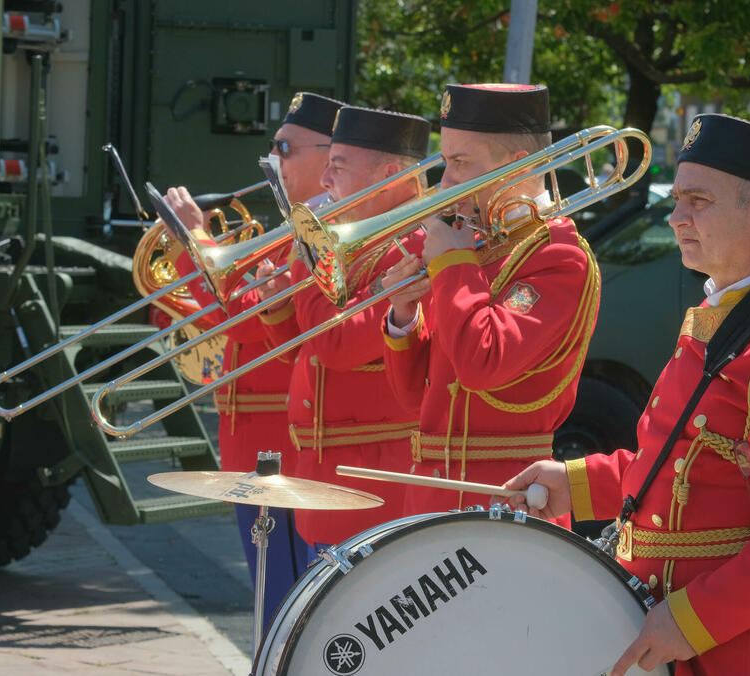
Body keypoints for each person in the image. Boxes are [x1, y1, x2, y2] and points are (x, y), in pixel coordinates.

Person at [503, 114, 750, 676]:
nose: (677, 217)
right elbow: (687, 466)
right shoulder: (724, 308)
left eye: (698, 201)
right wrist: (577, 484)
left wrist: (695, 618)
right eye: (679, 198)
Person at [163, 91, 344, 624]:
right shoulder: (290, 230)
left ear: (330, 154)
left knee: (285, 611)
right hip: (257, 444)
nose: (274, 162)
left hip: (282, 448)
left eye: (285, 149)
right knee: (275, 605)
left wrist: (192, 242)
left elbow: (241, 318)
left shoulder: (320, 234)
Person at [380, 83, 600, 515]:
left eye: (460, 163)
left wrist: (454, 263)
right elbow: (413, 402)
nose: (445, 182)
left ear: (516, 167)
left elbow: (482, 365)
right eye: (447, 162)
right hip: (430, 500)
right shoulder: (474, 246)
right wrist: (404, 316)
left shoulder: (558, 256)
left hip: (509, 503)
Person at [259, 105, 431, 551]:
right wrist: (276, 302)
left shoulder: (419, 245)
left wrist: (304, 255)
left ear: (391, 174)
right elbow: (302, 351)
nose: (323, 182)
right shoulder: (357, 241)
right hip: (323, 474)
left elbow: (336, 343)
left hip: (376, 483)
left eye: (337, 167)